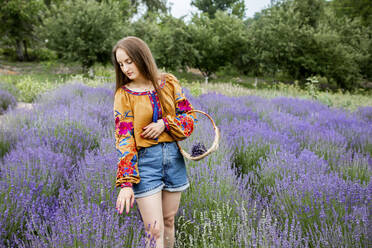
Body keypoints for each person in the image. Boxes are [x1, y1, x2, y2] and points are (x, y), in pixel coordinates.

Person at [112, 36, 197, 248]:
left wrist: (164, 124)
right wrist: (126, 183)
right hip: (145, 164)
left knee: (168, 222)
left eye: (129, 61)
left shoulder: (169, 82)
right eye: (121, 64)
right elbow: (124, 139)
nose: (125, 68)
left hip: (174, 160)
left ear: (142, 56)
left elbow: (190, 118)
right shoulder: (124, 94)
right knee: (154, 230)